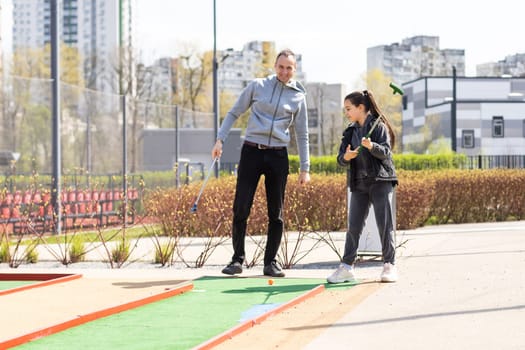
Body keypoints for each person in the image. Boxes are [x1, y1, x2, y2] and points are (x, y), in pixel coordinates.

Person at [211, 49, 310, 278]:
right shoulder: (257, 86)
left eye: (289, 68)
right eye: (281, 66)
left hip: (278, 156)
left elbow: (302, 134)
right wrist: (220, 139)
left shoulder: (298, 97)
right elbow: (234, 112)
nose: (284, 71)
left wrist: (305, 168)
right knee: (241, 207)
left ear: (295, 70)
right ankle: (237, 260)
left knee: (276, 213)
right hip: (251, 153)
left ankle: (270, 263)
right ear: (275, 66)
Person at [327, 90, 398, 284]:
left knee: (384, 225)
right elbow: (341, 157)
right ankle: (347, 267)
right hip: (359, 184)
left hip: (380, 181)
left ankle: (389, 264)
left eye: (349, 109)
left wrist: (371, 146)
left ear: (361, 108)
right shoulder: (350, 131)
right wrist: (346, 157)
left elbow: (385, 153)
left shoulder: (379, 126)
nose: (346, 113)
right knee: (354, 226)